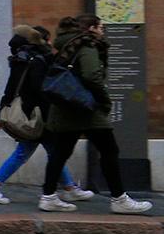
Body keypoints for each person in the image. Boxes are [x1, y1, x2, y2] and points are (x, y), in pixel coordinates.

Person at [38, 14, 152, 214]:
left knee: (60, 152)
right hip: (87, 108)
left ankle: (48, 196)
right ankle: (119, 199)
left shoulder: (64, 43)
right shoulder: (87, 45)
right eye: (101, 27)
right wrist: (104, 101)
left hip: (65, 106)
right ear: (91, 28)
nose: (103, 31)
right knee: (109, 151)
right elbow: (92, 75)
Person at [0, 24, 92, 205]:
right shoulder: (37, 60)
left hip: (30, 114)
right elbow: (42, 91)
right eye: (47, 39)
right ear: (40, 40)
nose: (50, 43)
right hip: (38, 116)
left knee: (50, 152)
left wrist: (0, 112)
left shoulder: (20, 59)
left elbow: (10, 89)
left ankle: (70, 188)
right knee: (34, 153)